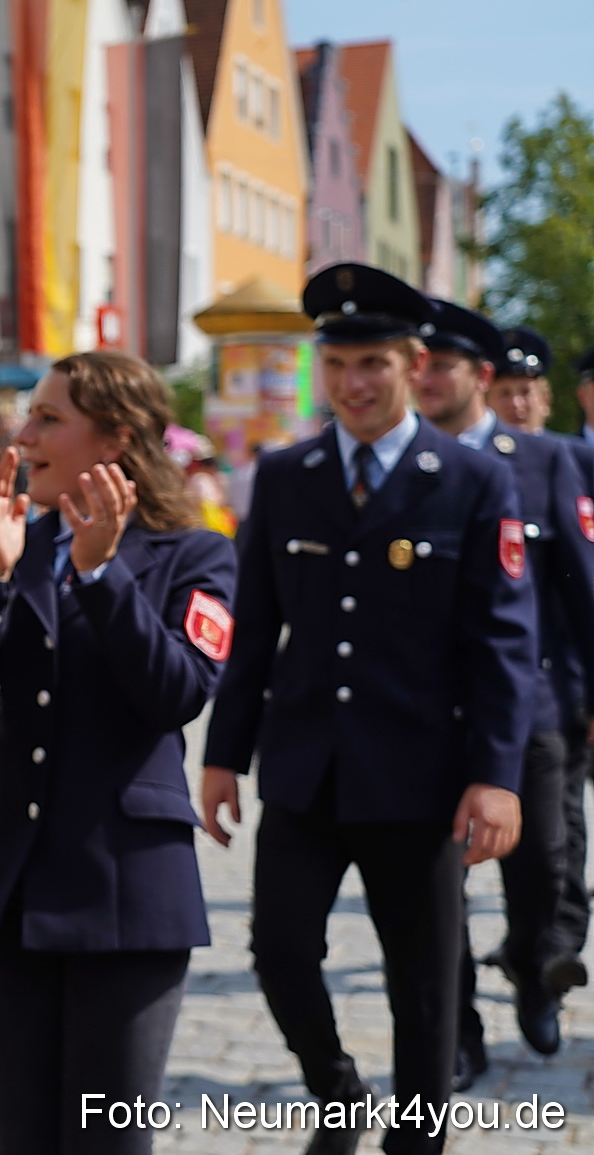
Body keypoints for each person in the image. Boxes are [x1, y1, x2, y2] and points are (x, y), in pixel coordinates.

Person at [201, 264, 534, 1155]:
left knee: (423, 982)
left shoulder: (468, 479)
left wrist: (495, 779)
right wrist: (222, 754)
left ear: (411, 362)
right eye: (339, 363)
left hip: (421, 778)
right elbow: (257, 625)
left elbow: (502, 644)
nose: (354, 383)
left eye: (374, 364)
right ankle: (338, 1092)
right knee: (278, 952)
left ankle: (416, 1143)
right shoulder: (286, 475)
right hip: (307, 769)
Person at [0, 350, 235, 1155]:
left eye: (50, 418)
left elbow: (177, 695)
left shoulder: (194, 554)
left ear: (115, 438)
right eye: (32, 415)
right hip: (2, 891)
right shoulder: (13, 540)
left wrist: (101, 577)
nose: (24, 435)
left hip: (126, 893)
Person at [409, 299, 594, 1084]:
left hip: (538, 703)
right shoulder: (398, 462)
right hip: (424, 712)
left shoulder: (544, 460)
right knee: (431, 882)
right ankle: (458, 1029)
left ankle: (530, 962)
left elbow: (582, 586)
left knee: (544, 864)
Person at [490, 325, 594, 1021]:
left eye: (526, 391)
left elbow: (580, 583)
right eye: (505, 392)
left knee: (556, 836)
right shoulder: (466, 464)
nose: (517, 403)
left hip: (552, 681)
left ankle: (551, 947)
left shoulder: (559, 461)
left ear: (546, 397)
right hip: (479, 689)